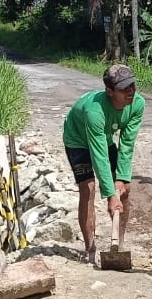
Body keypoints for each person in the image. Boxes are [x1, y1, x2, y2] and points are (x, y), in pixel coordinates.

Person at [62, 65, 145, 265]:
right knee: (88, 188)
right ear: (109, 91)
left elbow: (127, 144)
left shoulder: (138, 104)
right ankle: (90, 247)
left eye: (132, 85)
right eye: (124, 88)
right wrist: (109, 194)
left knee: (124, 189)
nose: (131, 91)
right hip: (77, 141)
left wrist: (122, 179)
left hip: (104, 138)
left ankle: (120, 243)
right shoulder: (95, 111)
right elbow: (99, 155)